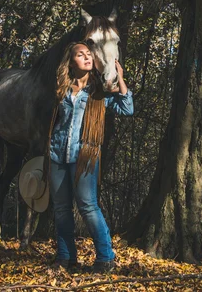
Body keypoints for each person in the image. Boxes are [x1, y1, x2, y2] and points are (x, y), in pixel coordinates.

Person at [47, 41, 133, 272]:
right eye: (80, 54)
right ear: (71, 62)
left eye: (88, 54)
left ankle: (105, 257)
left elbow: (127, 108)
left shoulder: (98, 92)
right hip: (56, 154)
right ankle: (66, 258)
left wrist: (121, 79)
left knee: (88, 206)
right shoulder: (60, 90)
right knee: (62, 209)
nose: (86, 57)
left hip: (85, 155)